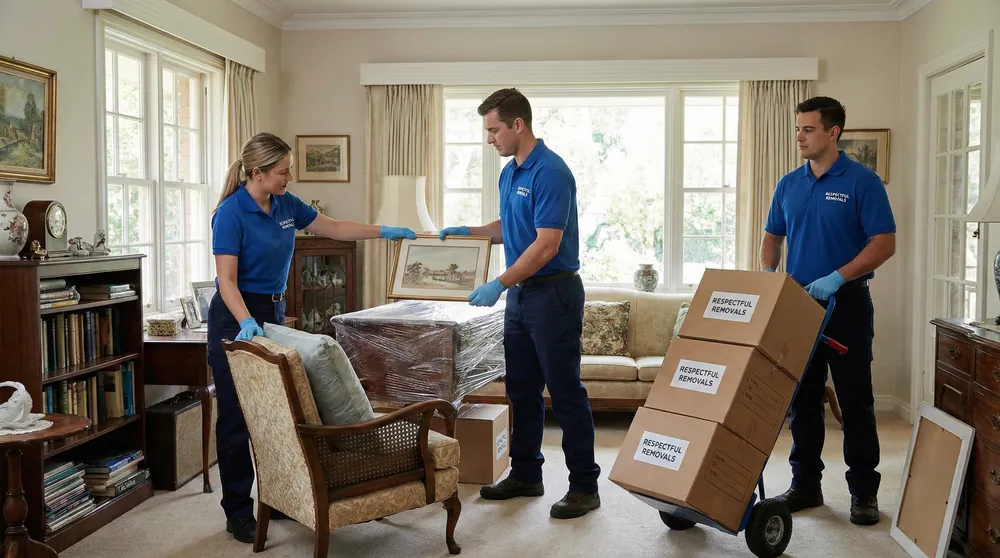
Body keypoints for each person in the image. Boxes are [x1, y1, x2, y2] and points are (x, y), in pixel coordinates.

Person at [207, 132, 416, 543]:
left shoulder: (286, 204)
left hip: (272, 310)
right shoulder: (230, 214)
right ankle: (237, 511)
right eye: (283, 171)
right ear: (257, 173)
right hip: (235, 317)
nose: (289, 177)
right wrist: (246, 321)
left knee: (280, 415)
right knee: (236, 417)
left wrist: (383, 231)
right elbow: (226, 280)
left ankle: (279, 498)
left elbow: (334, 227)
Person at [439, 88, 601, 519]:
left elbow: (546, 245)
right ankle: (527, 474)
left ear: (518, 124)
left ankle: (585, 486)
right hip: (522, 295)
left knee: (564, 392)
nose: (489, 138)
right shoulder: (509, 172)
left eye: (494, 130)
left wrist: (498, 282)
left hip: (554, 293)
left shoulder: (551, 172)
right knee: (521, 390)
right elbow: (510, 226)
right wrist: (470, 233)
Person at [761, 96, 896, 526]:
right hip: (799, 304)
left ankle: (863, 491)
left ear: (832, 132)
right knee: (803, 399)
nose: (799, 137)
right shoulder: (789, 184)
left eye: (808, 129)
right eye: (798, 129)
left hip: (847, 304)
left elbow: (884, 243)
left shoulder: (862, 182)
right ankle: (805, 484)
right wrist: (769, 274)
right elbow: (772, 237)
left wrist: (838, 276)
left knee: (855, 400)